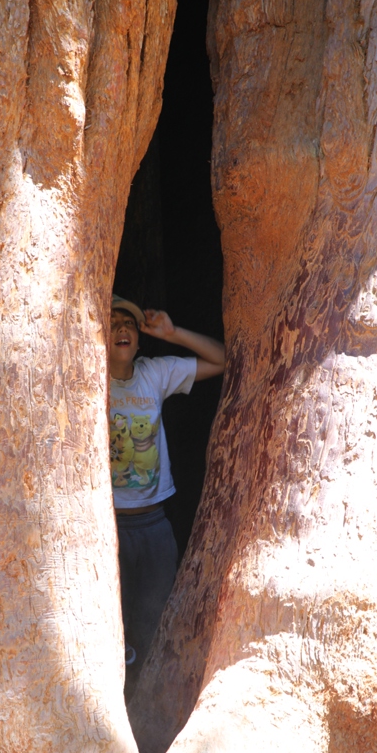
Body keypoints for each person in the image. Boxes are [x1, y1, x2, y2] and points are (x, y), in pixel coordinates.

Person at [109, 294, 225, 696]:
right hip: (106, 528)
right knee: (112, 625)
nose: (122, 329)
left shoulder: (153, 374)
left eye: (129, 323)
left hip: (155, 525)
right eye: (112, 323)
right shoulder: (85, 379)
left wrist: (173, 333)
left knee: (155, 622)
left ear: (139, 339)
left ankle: (147, 704)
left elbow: (221, 359)